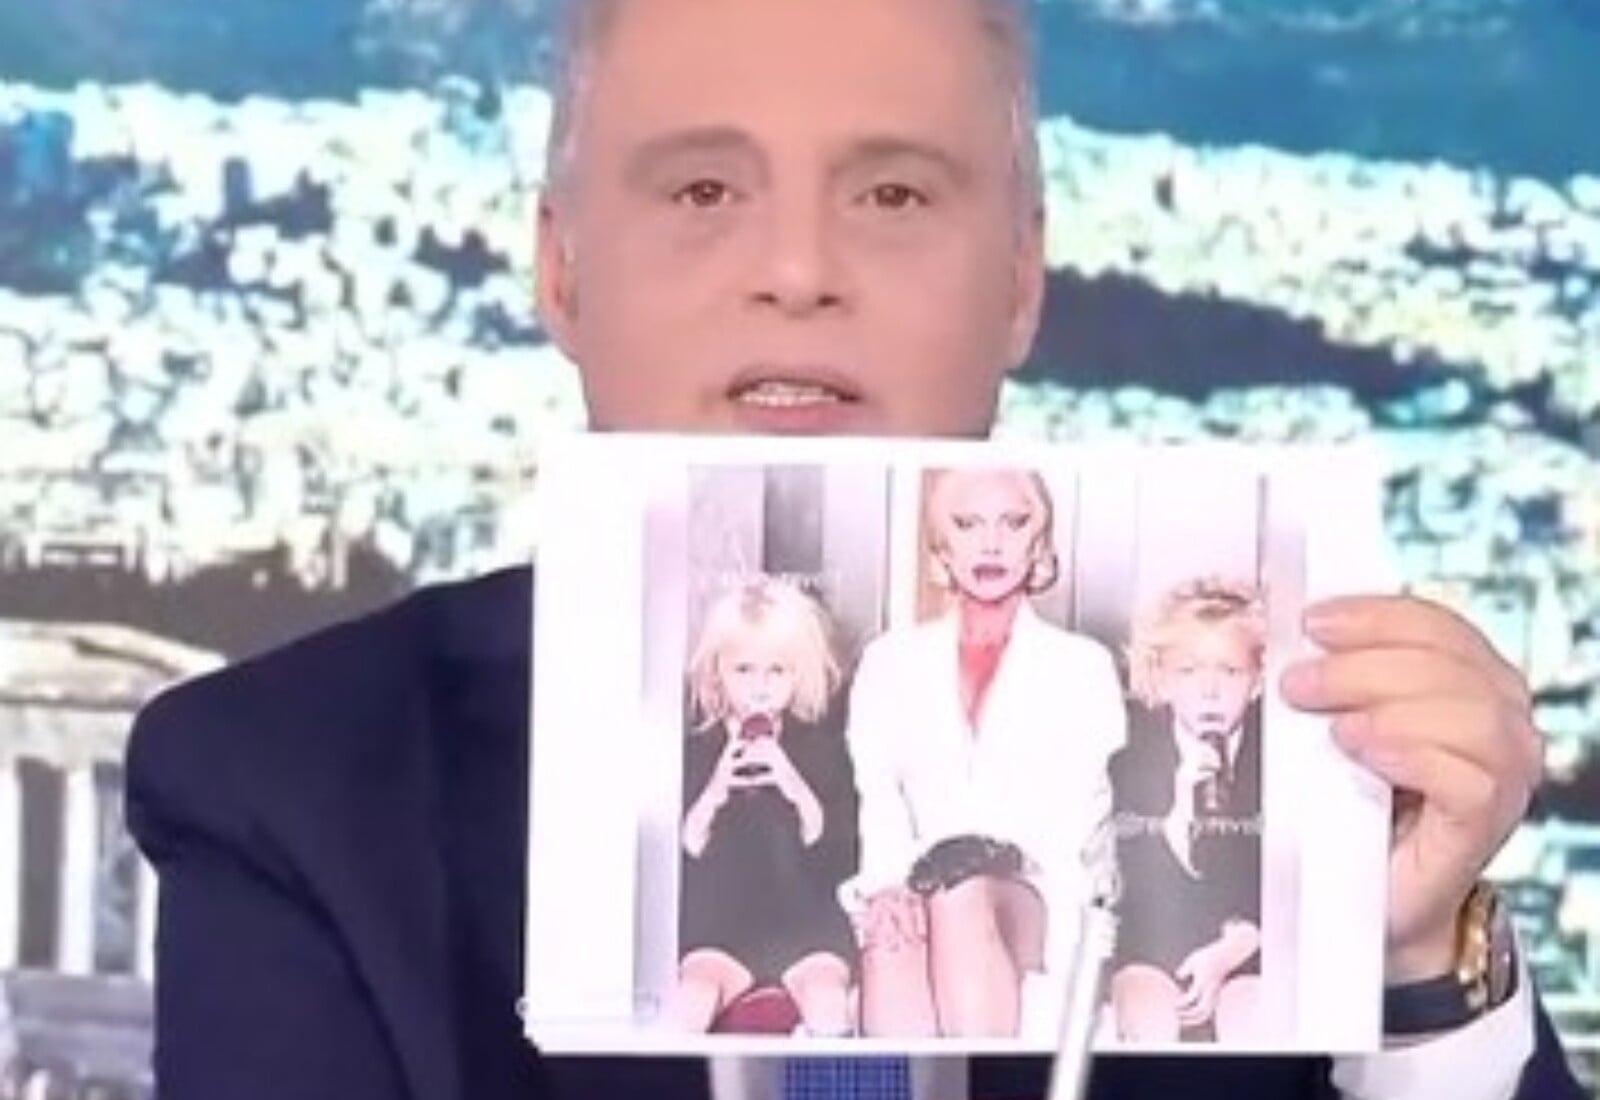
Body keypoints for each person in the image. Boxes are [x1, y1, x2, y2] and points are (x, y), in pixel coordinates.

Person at [123, 0, 1586, 1097]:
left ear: (1020, 281)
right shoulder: (295, 789)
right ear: (561, 271)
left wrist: (1413, 967)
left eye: (892, 194)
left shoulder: (1274, 754)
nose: (797, 271)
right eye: (703, 190)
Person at [840, 467, 1125, 1040]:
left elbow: (1080, 829)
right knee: (892, 929)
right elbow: (879, 800)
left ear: (1038, 542)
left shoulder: (1081, 666)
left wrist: (980, 863)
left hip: (1043, 891)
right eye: (968, 524)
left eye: (1013, 523)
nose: (991, 544)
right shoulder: (890, 662)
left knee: (961, 896)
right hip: (920, 878)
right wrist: (890, 886)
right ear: (941, 545)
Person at [669, 576, 860, 1037]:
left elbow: (837, 850)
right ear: (717, 672)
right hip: (721, 924)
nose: (760, 688)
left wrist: (791, 782)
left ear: (799, 674)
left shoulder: (822, 746)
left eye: (777, 672)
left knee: (827, 1003)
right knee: (691, 999)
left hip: (806, 923)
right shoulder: (694, 746)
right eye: (744, 671)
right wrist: (715, 791)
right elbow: (682, 851)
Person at [1108, 577, 1267, 1045]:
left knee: (1251, 1012)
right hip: (1152, 944)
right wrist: (1180, 808)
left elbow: (1292, 877)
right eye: (1189, 672)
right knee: (1148, 1010)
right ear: (1160, 678)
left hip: (1249, 944)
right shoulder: (1130, 755)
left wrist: (1236, 947)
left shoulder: (1279, 758)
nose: (1210, 692)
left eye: (1230, 672)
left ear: (1257, 681)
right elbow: (1128, 885)